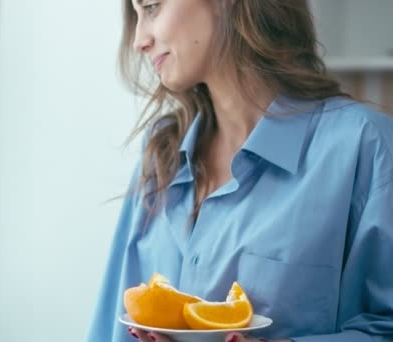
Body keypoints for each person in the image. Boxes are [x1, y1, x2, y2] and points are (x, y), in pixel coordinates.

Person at [87, 0, 393, 341]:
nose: (139, 39)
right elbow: (109, 330)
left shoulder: (366, 147)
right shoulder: (160, 153)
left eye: (152, 7)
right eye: (136, 15)